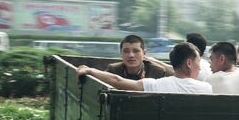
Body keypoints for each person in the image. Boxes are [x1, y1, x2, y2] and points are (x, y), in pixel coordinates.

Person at [77, 42, 212, 94]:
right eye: (198, 62)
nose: (199, 68)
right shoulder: (205, 88)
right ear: (189, 63)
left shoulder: (156, 85)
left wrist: (90, 70)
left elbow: (117, 81)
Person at [105, 34, 172, 80]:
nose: (131, 55)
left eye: (136, 51)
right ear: (121, 54)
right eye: (126, 51)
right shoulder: (113, 70)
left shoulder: (157, 72)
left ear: (144, 53)